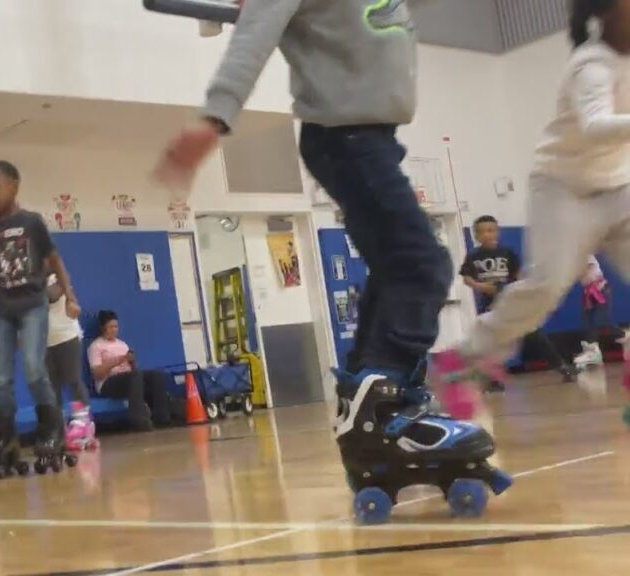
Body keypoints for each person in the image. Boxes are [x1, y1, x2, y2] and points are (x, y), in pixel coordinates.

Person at [153, 0, 510, 522]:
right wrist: (215, 118)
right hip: (347, 137)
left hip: (374, 139)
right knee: (423, 267)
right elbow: (253, 35)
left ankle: (373, 422)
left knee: (397, 270)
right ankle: (385, 411)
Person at [435, 0, 630, 421]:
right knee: (545, 288)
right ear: (610, 12)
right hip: (563, 187)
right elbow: (597, 127)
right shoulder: (591, 65)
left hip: (620, 186)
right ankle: (462, 360)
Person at [0, 160, 81, 476]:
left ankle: (51, 429)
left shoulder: (32, 222)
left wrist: (70, 296)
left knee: (33, 367)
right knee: (0, 377)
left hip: (32, 304)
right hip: (0, 309)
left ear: (13, 187)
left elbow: (54, 260)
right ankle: (6, 437)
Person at [459, 215, 577, 389]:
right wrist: (481, 286)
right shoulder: (473, 256)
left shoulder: (507, 253)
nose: (487, 234)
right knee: (493, 343)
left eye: (491, 230)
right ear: (476, 236)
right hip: (490, 306)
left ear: (497, 232)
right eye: (482, 232)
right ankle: (494, 378)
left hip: (511, 303)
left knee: (535, 335)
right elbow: (467, 278)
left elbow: (519, 275)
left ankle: (561, 367)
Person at [88, 311, 172, 431]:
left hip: (128, 379)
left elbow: (135, 371)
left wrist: (132, 362)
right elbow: (97, 373)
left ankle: (162, 418)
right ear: (102, 328)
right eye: (110, 327)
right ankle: (139, 420)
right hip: (108, 383)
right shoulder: (96, 346)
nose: (114, 330)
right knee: (134, 376)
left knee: (156, 376)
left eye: (116, 327)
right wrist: (118, 361)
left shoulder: (122, 344)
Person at [45, 273, 97, 451]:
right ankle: (58, 431)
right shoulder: (28, 280)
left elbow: (51, 294)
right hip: (44, 340)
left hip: (67, 336)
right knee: (52, 387)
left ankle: (84, 425)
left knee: (73, 379)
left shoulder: (58, 278)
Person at [576, 255, 612, 367]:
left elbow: (589, 272)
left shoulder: (585, 254)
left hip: (599, 289)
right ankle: (593, 353)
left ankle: (625, 335)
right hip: (590, 291)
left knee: (598, 321)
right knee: (590, 322)